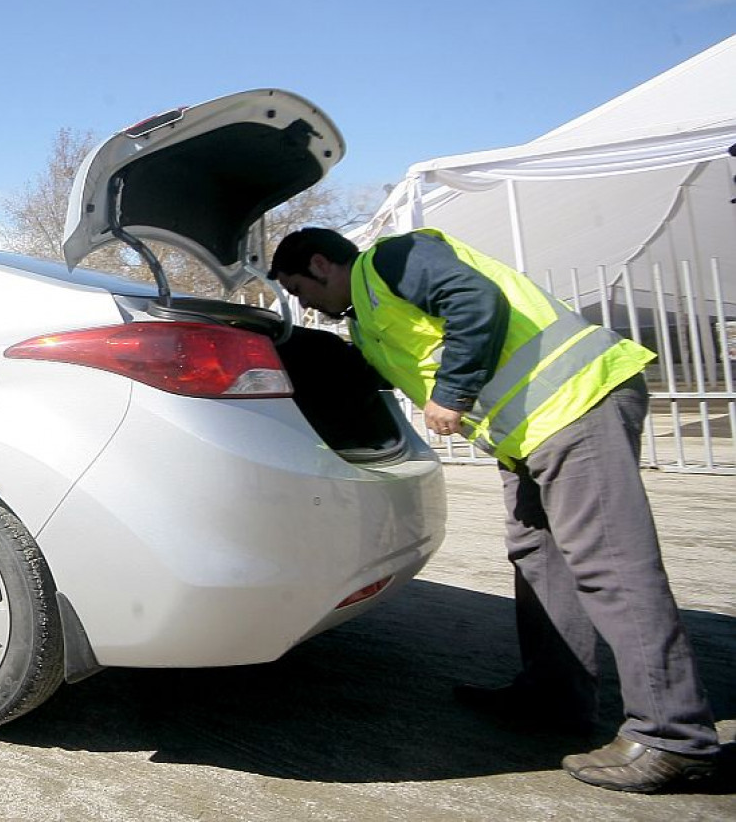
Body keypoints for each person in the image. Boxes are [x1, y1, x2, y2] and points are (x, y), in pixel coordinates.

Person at [269, 227, 719, 794]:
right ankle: (554, 696)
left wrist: (453, 393)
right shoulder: (368, 317)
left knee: (613, 568)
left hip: (576, 402)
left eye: (298, 289)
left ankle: (674, 738)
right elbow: (365, 372)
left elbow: (474, 300)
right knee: (539, 556)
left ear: (320, 263)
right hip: (532, 431)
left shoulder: (393, 260)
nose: (304, 305)